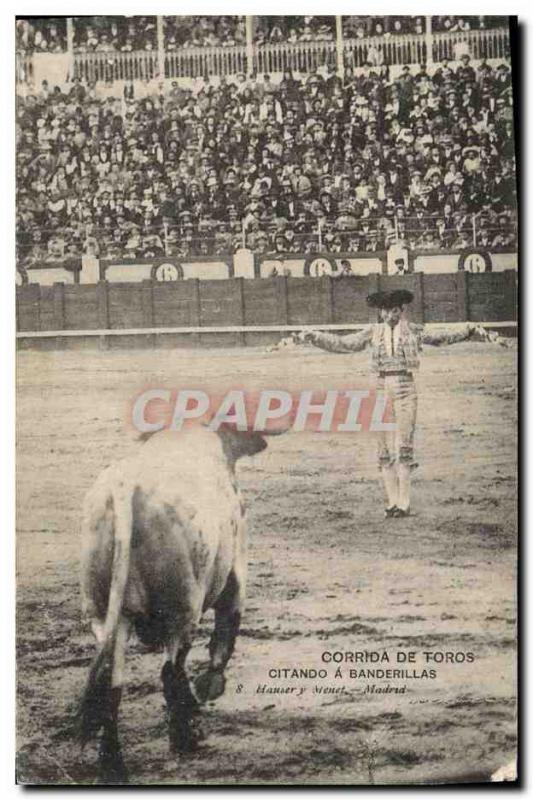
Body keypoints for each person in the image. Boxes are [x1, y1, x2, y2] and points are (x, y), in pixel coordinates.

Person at [296, 290, 494, 519]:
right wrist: (315, 336)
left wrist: (467, 330)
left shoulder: (412, 330)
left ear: (402, 311)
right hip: (379, 388)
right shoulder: (373, 331)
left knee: (404, 445)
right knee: (383, 448)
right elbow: (344, 344)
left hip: (405, 388)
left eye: (395, 310)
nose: (391, 315)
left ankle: (404, 502)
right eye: (387, 311)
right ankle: (392, 502)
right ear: (380, 312)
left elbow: (440, 338)